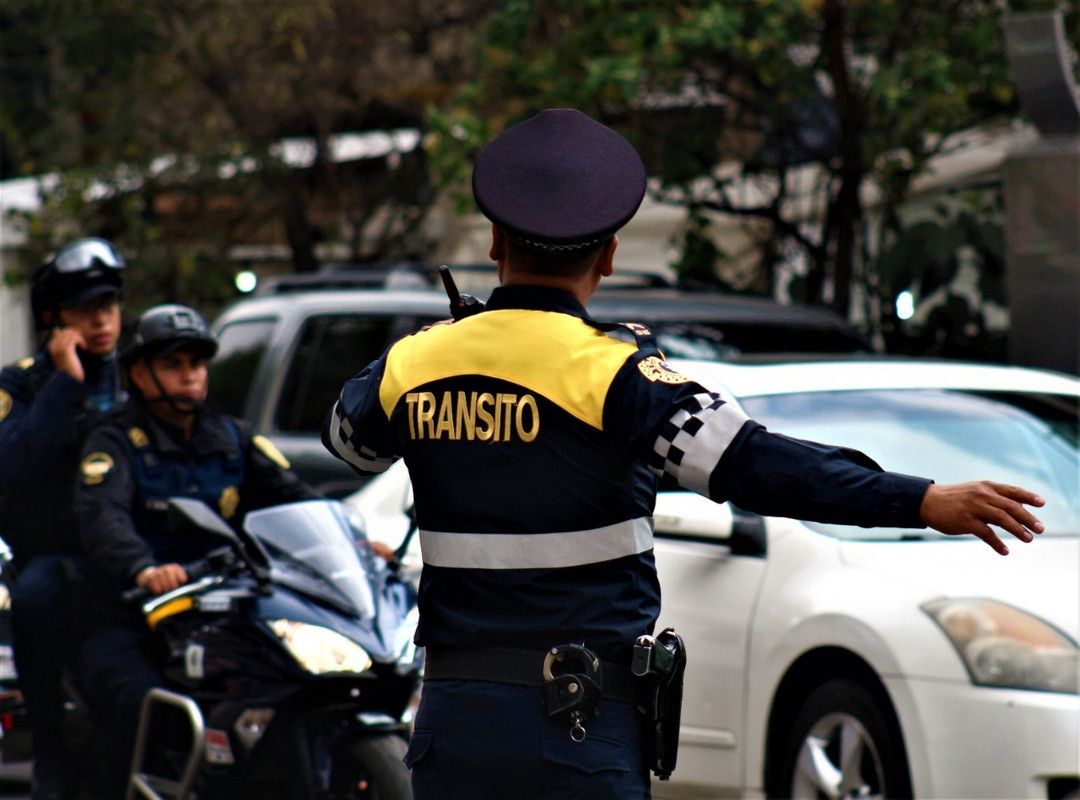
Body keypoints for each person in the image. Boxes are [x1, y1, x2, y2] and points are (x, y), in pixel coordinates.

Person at [322, 109, 1046, 800]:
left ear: (492, 243)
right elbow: (756, 465)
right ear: (608, 253)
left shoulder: (414, 364)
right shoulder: (617, 377)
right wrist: (919, 499)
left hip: (454, 726)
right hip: (574, 727)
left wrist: (443, 349)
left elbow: (346, 443)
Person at [73, 303, 322, 799]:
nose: (191, 376)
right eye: (174, 365)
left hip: (220, 615)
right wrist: (144, 568)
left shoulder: (232, 438)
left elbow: (295, 498)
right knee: (139, 702)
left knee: (294, 683)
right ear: (139, 374)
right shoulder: (115, 440)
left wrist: (355, 541)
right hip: (132, 617)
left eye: (198, 364)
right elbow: (103, 516)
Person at [0, 237, 127, 800]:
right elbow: (14, 466)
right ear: (56, 318)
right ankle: (49, 746)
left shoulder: (142, 374)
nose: (101, 320)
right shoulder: (22, 384)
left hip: (132, 555)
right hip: (55, 558)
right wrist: (64, 380)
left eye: (109, 305)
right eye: (86, 309)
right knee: (34, 596)